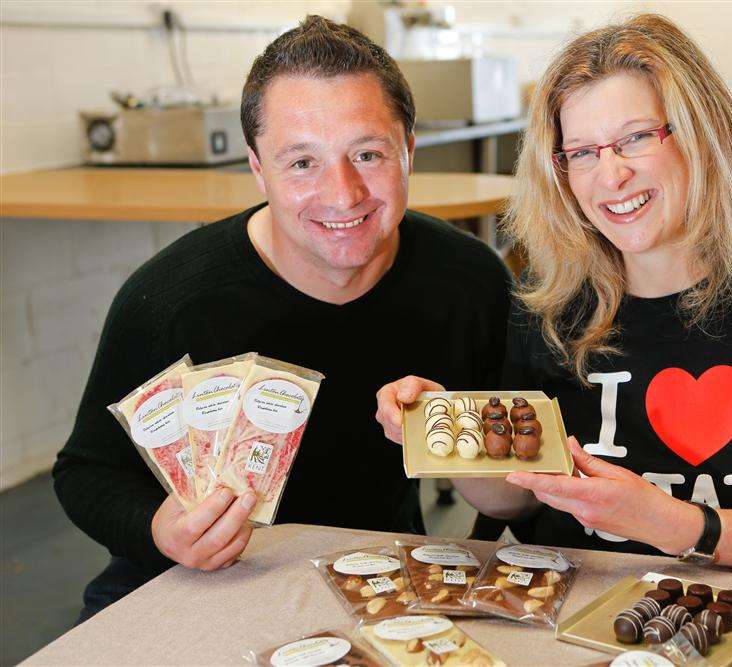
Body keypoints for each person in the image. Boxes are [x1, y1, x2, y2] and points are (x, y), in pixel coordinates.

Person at [376, 14, 732, 571]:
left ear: (702, 137)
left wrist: (668, 523)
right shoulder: (550, 298)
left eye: (636, 138)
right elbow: (517, 496)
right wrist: (446, 436)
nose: (611, 175)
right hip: (566, 602)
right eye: (584, 152)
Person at [54, 16, 510, 622]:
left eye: (368, 153)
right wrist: (160, 526)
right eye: (301, 163)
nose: (343, 194)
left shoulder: (469, 282)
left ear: (409, 149)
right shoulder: (171, 300)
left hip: (376, 576)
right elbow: (87, 470)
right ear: (256, 166)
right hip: (188, 582)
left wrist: (455, 448)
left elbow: (515, 493)